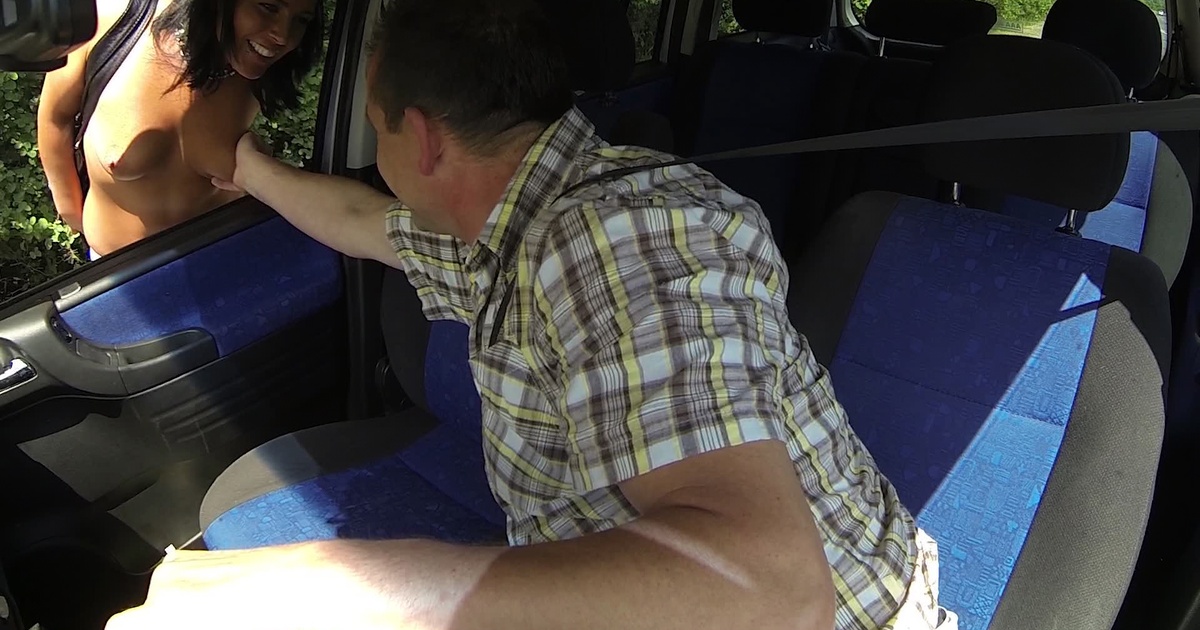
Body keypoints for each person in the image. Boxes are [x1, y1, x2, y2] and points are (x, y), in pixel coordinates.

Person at [107, 0, 955, 628]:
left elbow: (772, 595)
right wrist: (244, 165)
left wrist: (326, 587)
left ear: (422, 140)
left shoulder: (622, 238)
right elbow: (365, 222)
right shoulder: (514, 215)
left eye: (373, 128)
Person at [37, 0, 324, 259]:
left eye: (302, 20)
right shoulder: (111, 20)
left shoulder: (261, 69)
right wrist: (72, 214)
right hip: (115, 281)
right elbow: (55, 118)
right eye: (269, 7)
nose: (283, 36)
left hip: (225, 267)